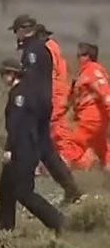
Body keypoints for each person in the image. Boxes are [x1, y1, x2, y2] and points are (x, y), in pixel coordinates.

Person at [10, 15, 84, 205]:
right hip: (44, 103)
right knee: (45, 149)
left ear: (24, 30)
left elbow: (32, 80)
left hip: (34, 105)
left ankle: (22, 190)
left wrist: (24, 102)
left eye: (17, 31)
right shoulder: (43, 48)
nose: (16, 35)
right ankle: (71, 189)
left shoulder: (34, 51)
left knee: (26, 144)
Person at [0, 58, 63, 233]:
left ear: (12, 74)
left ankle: (57, 221)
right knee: (6, 190)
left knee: (23, 193)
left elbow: (16, 125)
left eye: (4, 74)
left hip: (22, 150)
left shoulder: (19, 95)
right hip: (27, 148)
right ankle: (4, 230)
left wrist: (9, 149)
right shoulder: (28, 92)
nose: (2, 78)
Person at [62, 42, 110, 170]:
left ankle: (65, 172)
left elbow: (105, 92)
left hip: (92, 118)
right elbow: (72, 98)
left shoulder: (94, 71)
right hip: (94, 119)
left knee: (75, 144)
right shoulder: (83, 74)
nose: (77, 58)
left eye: (80, 55)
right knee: (102, 149)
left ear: (88, 56)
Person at [36, 24, 72, 161]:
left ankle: (66, 159)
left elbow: (51, 72)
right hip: (59, 92)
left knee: (57, 129)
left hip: (55, 93)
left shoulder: (48, 49)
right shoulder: (54, 47)